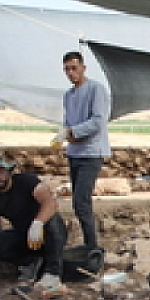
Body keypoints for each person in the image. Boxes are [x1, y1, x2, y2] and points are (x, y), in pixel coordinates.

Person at [0, 153, 68, 299]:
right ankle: (31, 263)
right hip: (26, 238)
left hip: (48, 233)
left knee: (52, 220)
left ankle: (52, 274)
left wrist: (38, 223)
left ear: (8, 171)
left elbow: (50, 202)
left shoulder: (26, 182)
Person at [59, 51, 110, 252]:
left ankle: (92, 247)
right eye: (67, 69)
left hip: (91, 152)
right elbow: (68, 122)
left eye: (74, 68)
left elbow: (98, 121)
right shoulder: (68, 96)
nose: (71, 73)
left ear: (83, 68)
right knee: (78, 201)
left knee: (81, 200)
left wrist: (74, 131)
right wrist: (66, 134)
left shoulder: (96, 89)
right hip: (75, 152)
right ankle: (90, 245)